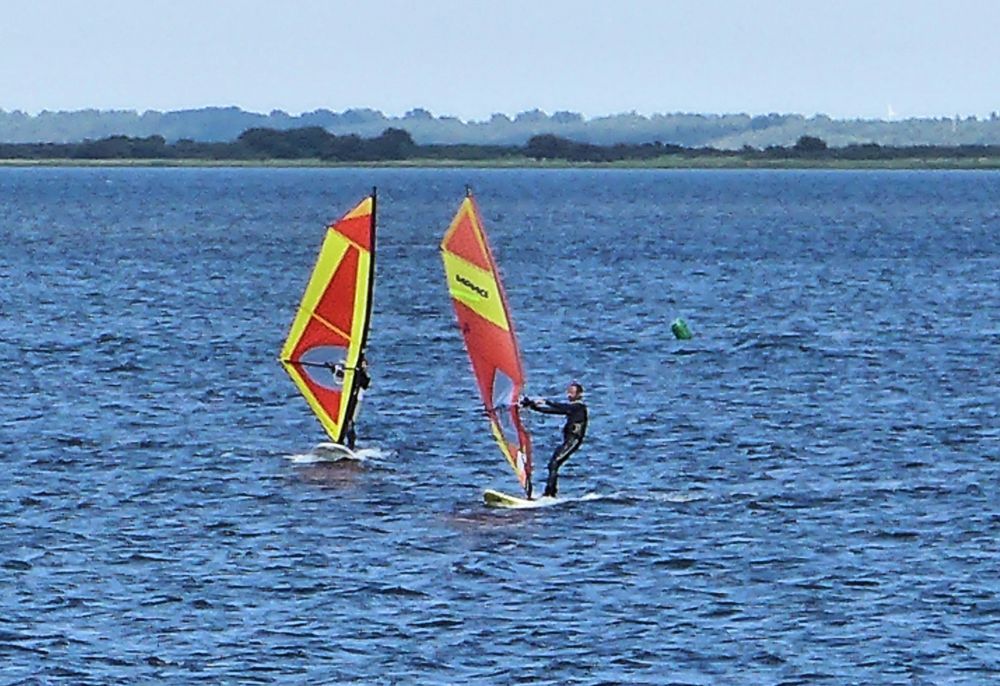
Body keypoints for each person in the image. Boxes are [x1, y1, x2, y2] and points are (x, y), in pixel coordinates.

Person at [521, 381, 588, 497]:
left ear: (579, 394)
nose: (569, 395)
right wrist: (533, 406)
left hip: (574, 441)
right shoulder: (571, 408)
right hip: (567, 441)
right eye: (568, 392)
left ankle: (549, 494)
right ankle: (550, 493)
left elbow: (561, 407)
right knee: (552, 464)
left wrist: (546, 401)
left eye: (572, 393)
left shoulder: (579, 407)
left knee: (554, 463)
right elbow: (554, 410)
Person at [340, 353, 371, 450]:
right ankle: (340, 441)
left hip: (357, 401)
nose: (364, 365)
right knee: (343, 421)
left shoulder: (364, 376)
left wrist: (363, 370)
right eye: (362, 363)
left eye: (365, 364)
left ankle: (351, 446)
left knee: (350, 423)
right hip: (347, 399)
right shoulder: (351, 372)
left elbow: (365, 383)